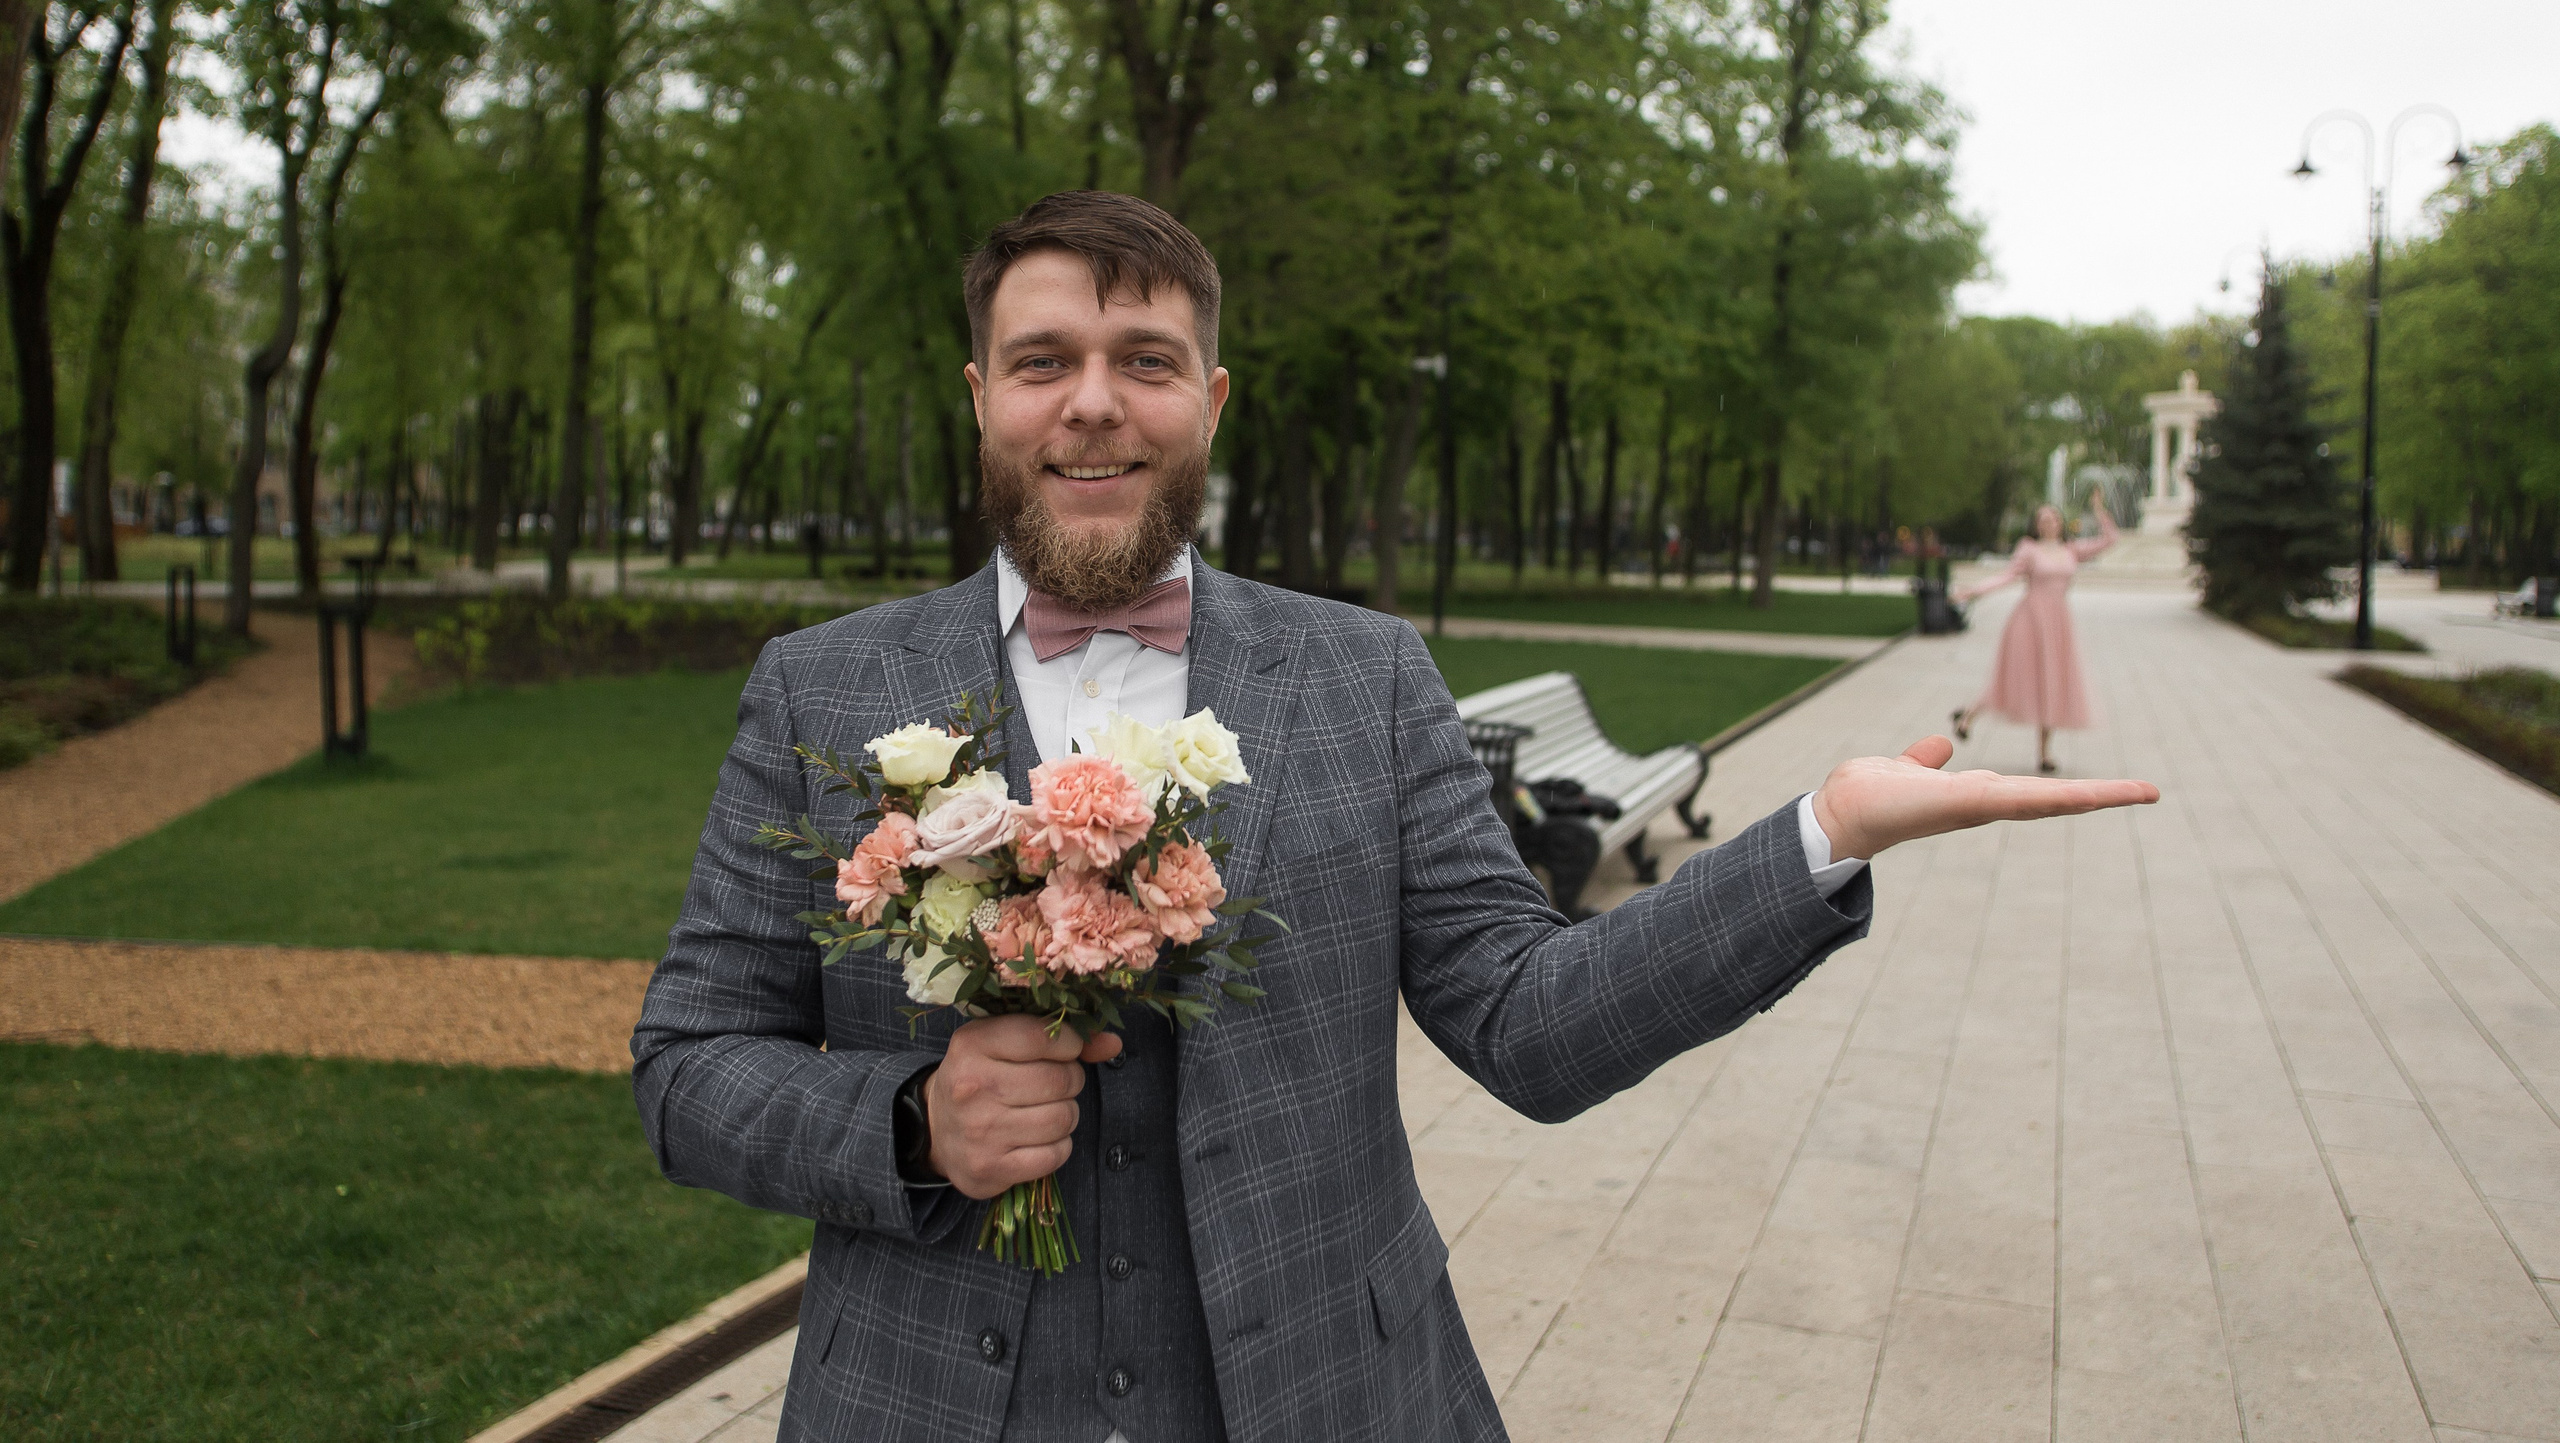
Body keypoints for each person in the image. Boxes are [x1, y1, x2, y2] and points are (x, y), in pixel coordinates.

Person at [630, 192, 2158, 1443]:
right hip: (922, 1402)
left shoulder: (1366, 678)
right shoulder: (822, 689)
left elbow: (1530, 1019)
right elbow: (688, 1064)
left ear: (1212, 400)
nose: (1093, 400)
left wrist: (1819, 834)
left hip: (1325, 1389)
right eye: (1042, 359)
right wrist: (905, 1121)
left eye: (1145, 358)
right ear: (980, 394)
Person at [1951, 490, 2119, 774]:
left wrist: (2099, 509)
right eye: (2043, 519)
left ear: (2060, 523)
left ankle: (2044, 754)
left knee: (2052, 682)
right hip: (2029, 623)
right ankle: (1968, 716)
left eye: (2053, 518)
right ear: (2036, 524)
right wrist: (1974, 591)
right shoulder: (2028, 549)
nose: (2048, 523)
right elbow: (2007, 576)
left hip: (2058, 624)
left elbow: (2110, 541)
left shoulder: (2071, 549)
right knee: (2012, 678)